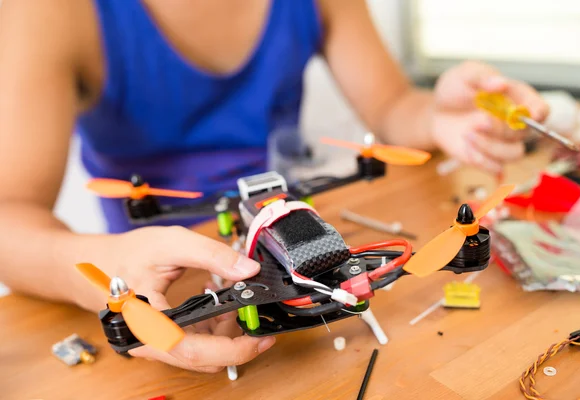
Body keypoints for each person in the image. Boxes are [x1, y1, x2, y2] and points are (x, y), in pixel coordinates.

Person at [0, 0, 548, 373]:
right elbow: (8, 216)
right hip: (167, 274)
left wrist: (441, 117)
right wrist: (110, 279)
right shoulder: (47, 13)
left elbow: (390, 106)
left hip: (293, 227)